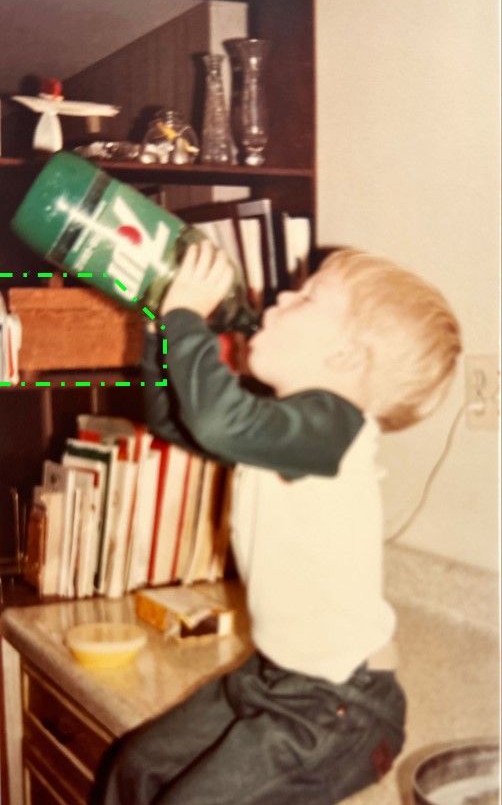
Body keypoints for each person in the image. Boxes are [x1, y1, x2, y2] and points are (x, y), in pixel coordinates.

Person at [92, 242, 462, 805]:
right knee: (135, 767)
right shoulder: (285, 430)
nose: (283, 294)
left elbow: (215, 420)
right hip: (270, 677)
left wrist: (185, 316)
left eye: (308, 296)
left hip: (338, 710)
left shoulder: (336, 426)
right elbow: (176, 422)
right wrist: (160, 325)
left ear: (345, 358)